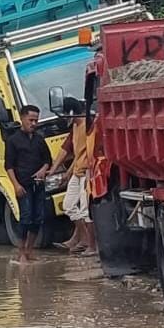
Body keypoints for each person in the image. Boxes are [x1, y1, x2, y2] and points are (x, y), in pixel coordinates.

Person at [47, 97, 97, 256]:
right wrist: (64, 172)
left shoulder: (89, 127)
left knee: (85, 210)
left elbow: (86, 153)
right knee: (69, 205)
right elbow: (74, 153)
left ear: (71, 113)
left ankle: (91, 246)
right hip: (77, 171)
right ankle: (83, 239)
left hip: (87, 171)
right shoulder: (76, 127)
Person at [5, 104, 52, 264]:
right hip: (23, 185)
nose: (34, 123)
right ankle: (21, 252)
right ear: (22, 118)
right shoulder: (13, 141)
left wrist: (43, 170)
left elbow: (48, 160)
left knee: (38, 218)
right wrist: (16, 185)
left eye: (36, 120)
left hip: (38, 184)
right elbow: (9, 166)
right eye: (31, 120)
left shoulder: (39, 139)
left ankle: (30, 250)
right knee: (25, 218)